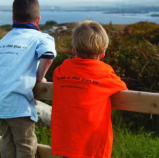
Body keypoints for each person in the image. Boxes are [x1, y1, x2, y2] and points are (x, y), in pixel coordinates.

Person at [0, 0, 56, 158]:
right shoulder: (41, 37)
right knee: (25, 146)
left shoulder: (1, 41)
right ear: (38, 20)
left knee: (8, 142)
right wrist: (40, 77)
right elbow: (48, 54)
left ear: (13, 17)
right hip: (17, 103)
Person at [51, 20, 127, 158]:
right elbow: (123, 89)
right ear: (103, 53)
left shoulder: (61, 71)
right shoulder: (105, 73)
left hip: (67, 143)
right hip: (92, 147)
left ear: (73, 49)